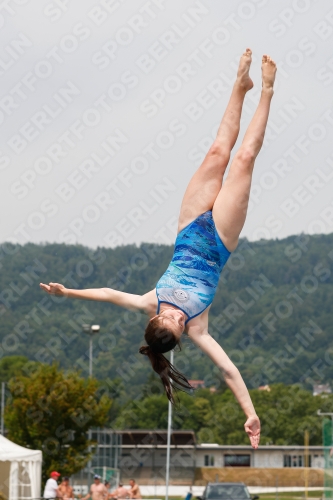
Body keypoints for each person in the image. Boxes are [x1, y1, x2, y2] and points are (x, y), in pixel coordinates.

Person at [40, 49, 277, 450]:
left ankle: (241, 86)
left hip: (188, 226)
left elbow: (110, 295)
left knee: (217, 153)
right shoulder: (199, 327)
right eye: (177, 324)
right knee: (243, 162)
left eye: (166, 317)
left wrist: (67, 292)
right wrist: (250, 413)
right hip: (219, 239)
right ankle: (268, 91)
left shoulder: (152, 301)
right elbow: (228, 371)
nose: (174, 316)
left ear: (156, 320)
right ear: (182, 334)